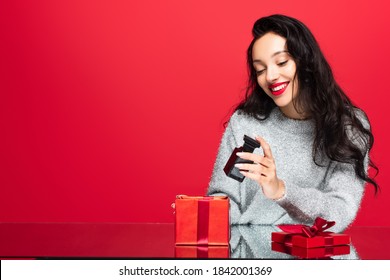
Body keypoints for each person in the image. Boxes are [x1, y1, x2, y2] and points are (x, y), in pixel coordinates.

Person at [207, 14, 378, 233]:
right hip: (247, 255)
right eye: (260, 69)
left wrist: (280, 189)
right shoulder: (245, 123)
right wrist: (200, 213)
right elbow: (221, 199)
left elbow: (340, 212)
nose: (270, 76)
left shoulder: (348, 127)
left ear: (306, 61)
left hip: (313, 260)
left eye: (281, 62)